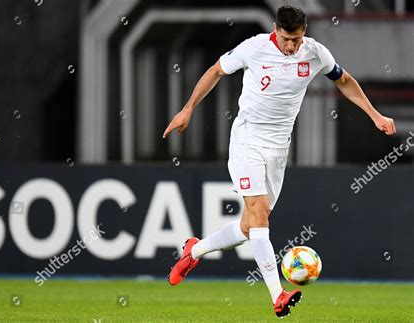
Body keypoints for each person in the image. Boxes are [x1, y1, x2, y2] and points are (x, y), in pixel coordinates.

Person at [162, 5, 396, 318]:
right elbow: (217, 70)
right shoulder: (254, 48)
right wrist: (188, 108)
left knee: (249, 228)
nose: (292, 46)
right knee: (260, 216)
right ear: (276, 29)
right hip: (247, 142)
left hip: (278, 150)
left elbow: (344, 81)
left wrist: (375, 114)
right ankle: (278, 295)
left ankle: (195, 250)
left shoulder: (314, 53)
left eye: (297, 39)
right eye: (287, 39)